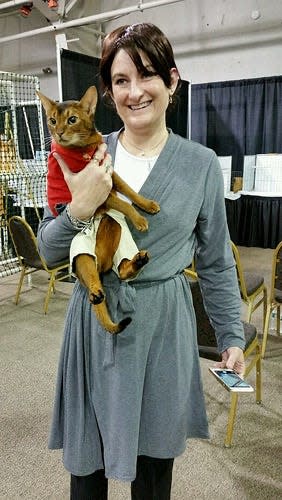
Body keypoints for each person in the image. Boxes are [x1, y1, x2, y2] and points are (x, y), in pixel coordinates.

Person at [37, 22, 246, 500]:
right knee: (86, 471)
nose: (135, 92)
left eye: (146, 75)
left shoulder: (200, 165)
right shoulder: (84, 155)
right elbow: (50, 251)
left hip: (162, 329)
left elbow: (215, 263)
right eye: (121, 81)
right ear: (108, 93)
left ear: (172, 80)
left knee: (153, 471)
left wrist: (230, 333)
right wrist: (79, 210)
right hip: (93, 324)